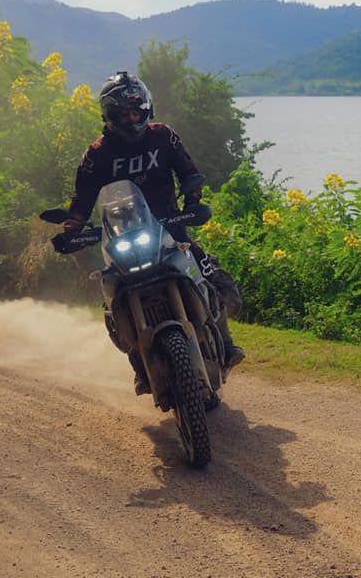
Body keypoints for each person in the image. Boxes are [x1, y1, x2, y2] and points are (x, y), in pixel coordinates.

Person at [64, 70, 244, 395]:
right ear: (110, 115)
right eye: (125, 114)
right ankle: (139, 363)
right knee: (111, 293)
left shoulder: (163, 136)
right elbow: (82, 200)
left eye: (137, 111)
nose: (133, 118)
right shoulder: (96, 154)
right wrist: (71, 229)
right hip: (120, 235)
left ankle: (227, 343)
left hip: (170, 225)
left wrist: (193, 200)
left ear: (147, 108)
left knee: (207, 271)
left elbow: (189, 173)